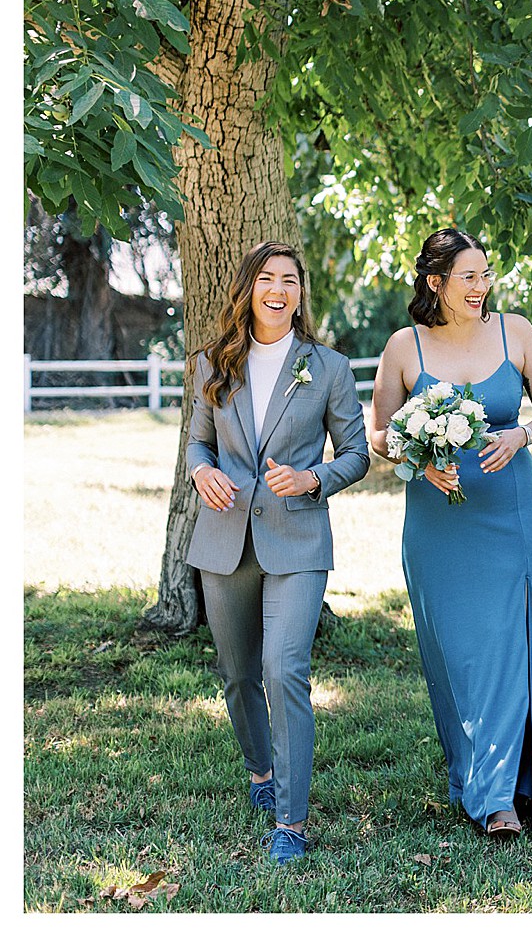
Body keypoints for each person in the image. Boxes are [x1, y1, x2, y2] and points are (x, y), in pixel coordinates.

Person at [370, 228, 532, 839]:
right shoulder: (406, 348)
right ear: (436, 283)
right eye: (468, 277)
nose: (482, 288)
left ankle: (504, 795)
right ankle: (477, 775)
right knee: (461, 652)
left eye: (486, 276)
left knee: (512, 642)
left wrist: (522, 435)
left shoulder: (518, 333)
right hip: (439, 520)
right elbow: (377, 435)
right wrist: (418, 458)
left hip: (511, 508)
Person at [185, 241, 370, 863]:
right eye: (267, 278)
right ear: (249, 289)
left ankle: (290, 821)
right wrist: (200, 474)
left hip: (296, 538)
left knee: (284, 670)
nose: (279, 289)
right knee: (239, 676)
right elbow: (197, 445)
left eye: (289, 280)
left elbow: (356, 456)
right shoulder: (214, 363)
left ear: (300, 293)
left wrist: (314, 477)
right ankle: (262, 776)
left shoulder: (329, 368)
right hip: (223, 537)